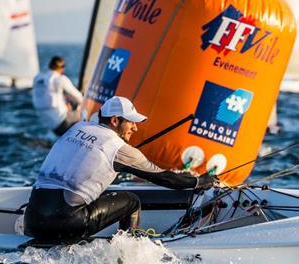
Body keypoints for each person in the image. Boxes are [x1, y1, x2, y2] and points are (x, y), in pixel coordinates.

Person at [24, 96, 218, 241]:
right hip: (66, 225)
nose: (135, 128)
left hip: (33, 221)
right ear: (115, 120)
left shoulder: (76, 128)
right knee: (131, 201)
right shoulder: (120, 149)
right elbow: (166, 179)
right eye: (131, 122)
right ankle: (127, 250)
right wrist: (201, 181)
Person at [32, 56, 84, 136]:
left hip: (52, 127)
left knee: (68, 100)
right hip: (63, 124)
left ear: (49, 65)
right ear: (62, 68)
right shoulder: (60, 79)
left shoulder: (37, 78)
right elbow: (80, 98)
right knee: (83, 108)